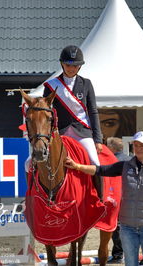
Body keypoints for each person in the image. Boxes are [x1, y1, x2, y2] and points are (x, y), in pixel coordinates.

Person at [65, 131, 143, 266]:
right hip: (128, 227)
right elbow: (100, 170)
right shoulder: (124, 166)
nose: (138, 148)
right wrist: (77, 166)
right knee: (130, 263)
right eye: (136, 145)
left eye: (142, 145)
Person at [43, 45, 103, 198]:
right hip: (59, 133)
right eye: (68, 65)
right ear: (62, 64)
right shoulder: (51, 86)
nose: (71, 68)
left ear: (80, 66)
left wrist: (98, 139)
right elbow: (45, 113)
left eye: (75, 65)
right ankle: (33, 196)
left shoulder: (87, 84)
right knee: (29, 162)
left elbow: (93, 112)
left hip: (81, 132)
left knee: (95, 162)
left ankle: (100, 200)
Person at [106, 137, 131, 264]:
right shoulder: (130, 158)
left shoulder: (111, 160)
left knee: (116, 227)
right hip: (130, 197)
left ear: (112, 148)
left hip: (116, 197)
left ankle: (118, 254)